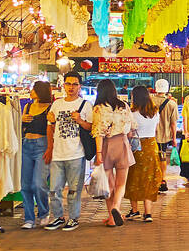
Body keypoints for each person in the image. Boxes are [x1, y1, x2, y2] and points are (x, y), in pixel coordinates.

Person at [44, 71, 93, 232]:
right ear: (63, 85)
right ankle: (58, 217)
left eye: (74, 84)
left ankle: (73, 218)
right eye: (68, 84)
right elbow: (50, 127)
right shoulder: (57, 104)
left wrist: (79, 120)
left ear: (80, 86)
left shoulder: (85, 105)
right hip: (57, 153)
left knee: (73, 190)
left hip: (76, 154)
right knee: (54, 190)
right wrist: (50, 148)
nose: (71, 87)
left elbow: (91, 127)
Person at [92, 79, 135, 226]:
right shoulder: (124, 106)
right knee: (121, 184)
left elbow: (98, 131)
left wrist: (98, 153)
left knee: (108, 184)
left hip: (106, 145)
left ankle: (112, 217)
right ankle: (116, 208)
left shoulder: (99, 108)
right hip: (122, 143)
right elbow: (131, 128)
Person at [124, 85, 163, 222]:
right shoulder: (155, 112)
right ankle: (148, 213)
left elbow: (129, 132)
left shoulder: (133, 113)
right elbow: (156, 129)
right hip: (152, 146)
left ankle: (135, 211)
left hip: (137, 147)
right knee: (149, 178)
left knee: (133, 178)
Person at [19, 80, 54, 229]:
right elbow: (20, 127)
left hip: (42, 146)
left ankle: (44, 213)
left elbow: (52, 129)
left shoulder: (50, 108)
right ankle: (29, 218)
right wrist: (21, 120)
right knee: (25, 184)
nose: (31, 91)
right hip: (26, 144)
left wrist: (50, 149)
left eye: (34, 89)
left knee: (38, 183)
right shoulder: (27, 106)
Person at [153, 79, 179, 193]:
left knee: (153, 158)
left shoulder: (149, 101)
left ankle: (154, 180)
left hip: (150, 135)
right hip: (164, 136)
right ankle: (162, 180)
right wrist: (174, 139)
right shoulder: (172, 104)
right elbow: (173, 124)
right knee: (162, 157)